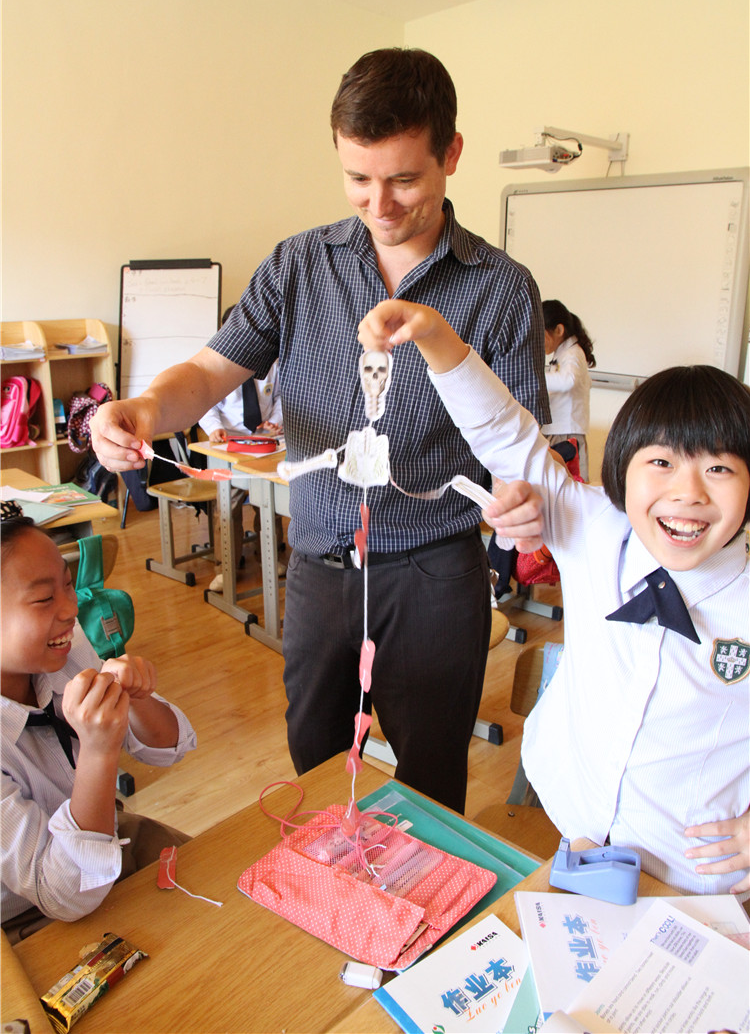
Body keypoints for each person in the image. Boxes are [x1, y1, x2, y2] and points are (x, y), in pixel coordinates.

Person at [90, 47, 549, 814]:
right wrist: (141, 410)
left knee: (431, 776)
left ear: (451, 154)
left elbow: (520, 445)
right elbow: (207, 372)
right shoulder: (299, 265)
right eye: (358, 178)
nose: (381, 204)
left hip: (435, 570)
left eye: (404, 179)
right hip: (319, 564)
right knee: (316, 757)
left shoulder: (500, 288)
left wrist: (521, 497)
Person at [357, 298, 750, 897]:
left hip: (693, 876)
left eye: (719, 469)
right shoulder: (595, 527)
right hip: (571, 831)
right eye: (661, 462)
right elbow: (504, 433)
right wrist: (436, 338)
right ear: (623, 470)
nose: (687, 492)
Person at [1, 508, 197, 938]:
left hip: (104, 839)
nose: (71, 609)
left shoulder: (62, 648)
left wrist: (137, 698)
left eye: (68, 585)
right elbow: (62, 894)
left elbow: (172, 748)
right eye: (44, 598)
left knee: (215, 884)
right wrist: (97, 751)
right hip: (26, 912)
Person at [198, 305, 285, 592]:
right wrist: (214, 428)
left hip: (263, 441)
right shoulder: (217, 364)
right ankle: (226, 568)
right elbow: (205, 403)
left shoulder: (271, 361)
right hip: (229, 444)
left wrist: (274, 422)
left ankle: (270, 558)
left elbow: (281, 397)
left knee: (268, 501)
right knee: (228, 506)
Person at [541, 299, 596, 481]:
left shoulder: (574, 352)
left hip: (567, 431)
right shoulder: (562, 354)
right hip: (555, 429)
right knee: (553, 482)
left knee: (574, 483)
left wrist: (535, 378)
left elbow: (569, 380)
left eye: (541, 335)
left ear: (559, 330)